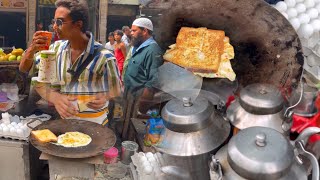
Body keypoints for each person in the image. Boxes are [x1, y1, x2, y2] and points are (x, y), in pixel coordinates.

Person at [19, 0, 122, 125]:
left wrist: (105, 96)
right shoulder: (55, 50)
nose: (54, 27)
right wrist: (32, 49)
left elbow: (116, 89)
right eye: (54, 21)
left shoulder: (105, 57)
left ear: (78, 24)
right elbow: (25, 70)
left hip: (95, 127)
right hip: (64, 125)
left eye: (59, 22)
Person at [123, 17, 163, 98]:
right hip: (129, 96)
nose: (131, 33)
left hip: (138, 100)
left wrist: (141, 107)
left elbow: (152, 84)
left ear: (144, 31)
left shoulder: (152, 50)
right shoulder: (136, 46)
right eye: (131, 30)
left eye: (134, 30)